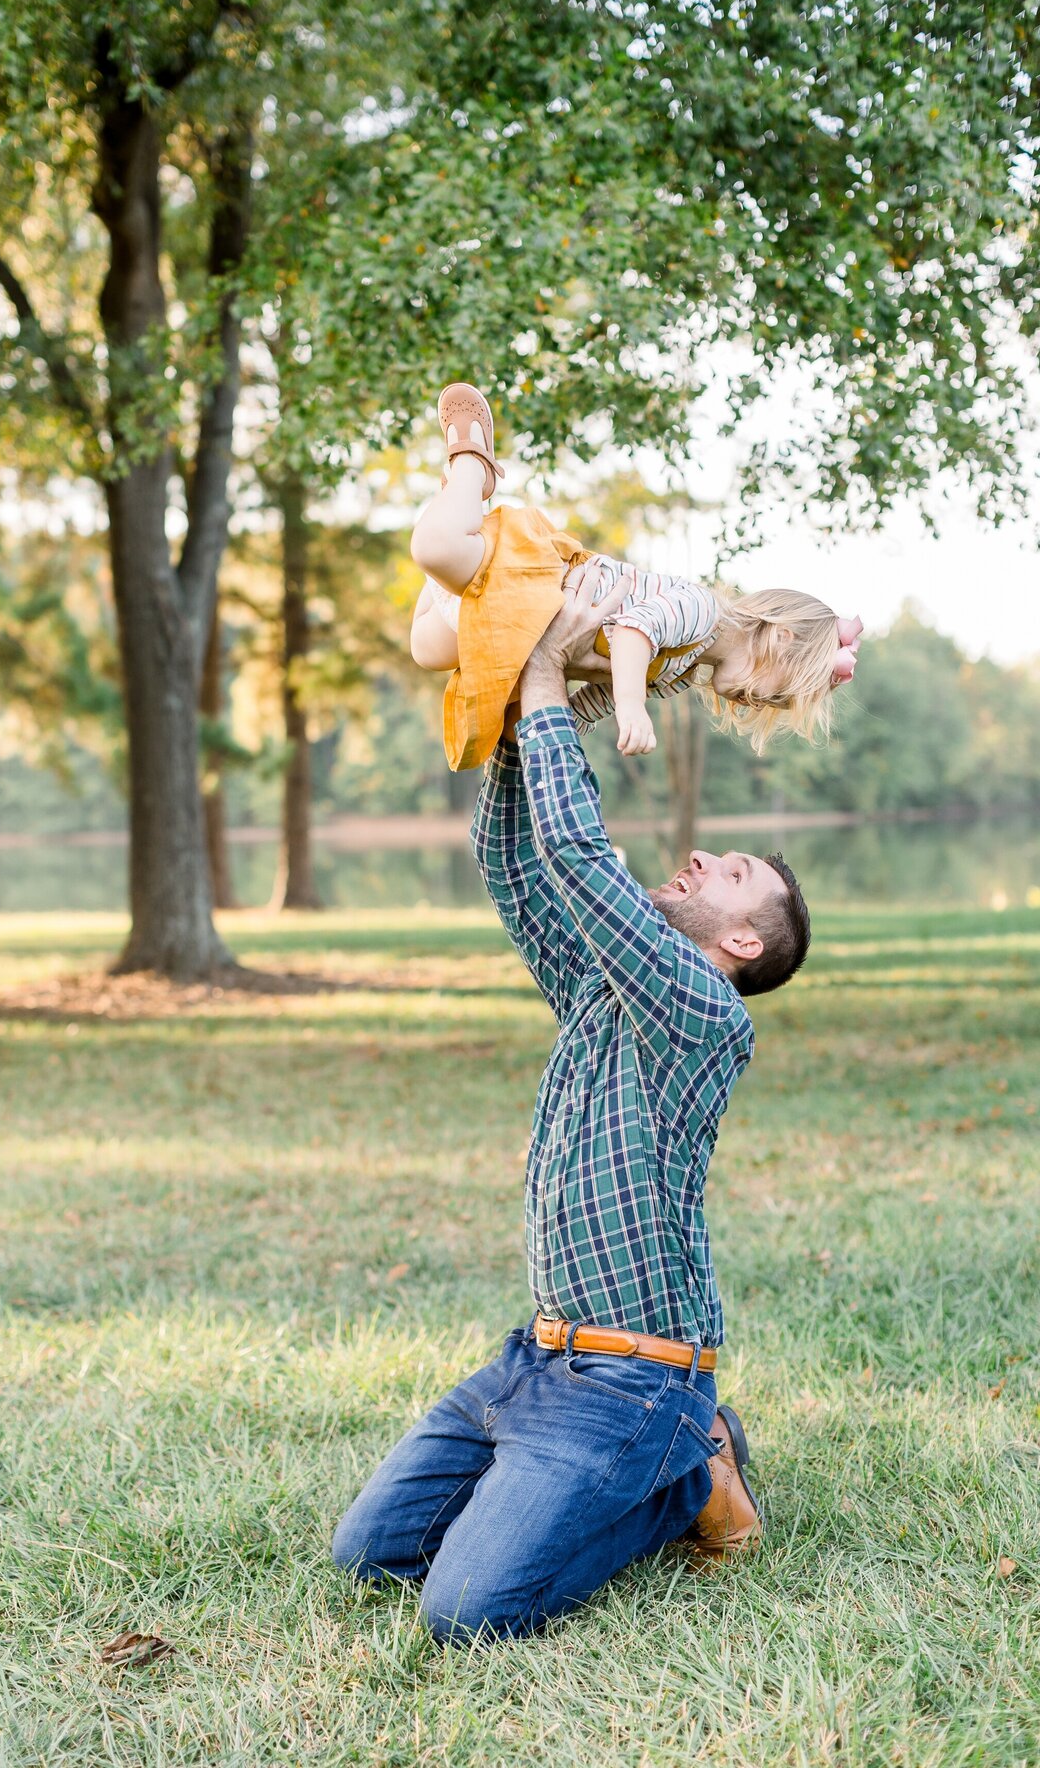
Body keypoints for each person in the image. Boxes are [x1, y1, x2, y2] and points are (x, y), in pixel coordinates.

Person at [332, 564, 812, 1645]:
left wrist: (551, 678)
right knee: (371, 1562)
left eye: (730, 872)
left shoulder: (702, 1012)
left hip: (637, 1382)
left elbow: (583, 861)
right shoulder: (606, 987)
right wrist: (514, 703)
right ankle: (643, 1465)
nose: (699, 857)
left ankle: (687, 1477)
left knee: (468, 1612)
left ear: (740, 945)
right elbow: (516, 862)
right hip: (535, 1360)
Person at [409, 382, 862, 771]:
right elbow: (632, 630)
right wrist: (632, 707)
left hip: (519, 628)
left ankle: (455, 505)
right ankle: (472, 465)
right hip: (535, 583)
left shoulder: (680, 674)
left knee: (425, 649)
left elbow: (595, 696)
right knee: (434, 547)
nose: (762, 704)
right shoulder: (703, 612)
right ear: (780, 638)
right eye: (778, 693)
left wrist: (563, 731)